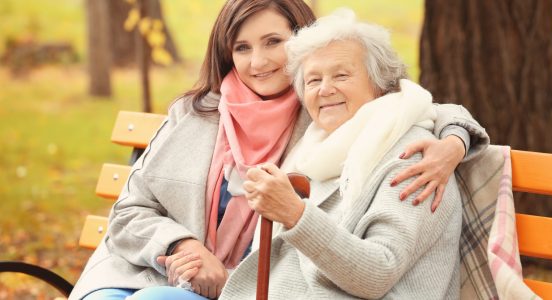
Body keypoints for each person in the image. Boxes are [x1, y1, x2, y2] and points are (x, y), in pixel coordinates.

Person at [69, 1, 488, 299]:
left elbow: (412, 103)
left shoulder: (323, 117)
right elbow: (130, 210)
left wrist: (454, 139)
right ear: (227, 54)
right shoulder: (196, 113)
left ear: (301, 41)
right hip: (149, 268)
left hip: (242, 286)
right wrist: (183, 246)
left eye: (274, 42)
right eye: (242, 48)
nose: (259, 62)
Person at [219, 8, 463, 299]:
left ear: (380, 83)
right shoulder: (314, 149)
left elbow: (378, 273)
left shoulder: (412, 157)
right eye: (313, 80)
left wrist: (295, 215)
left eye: (341, 75)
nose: (325, 90)